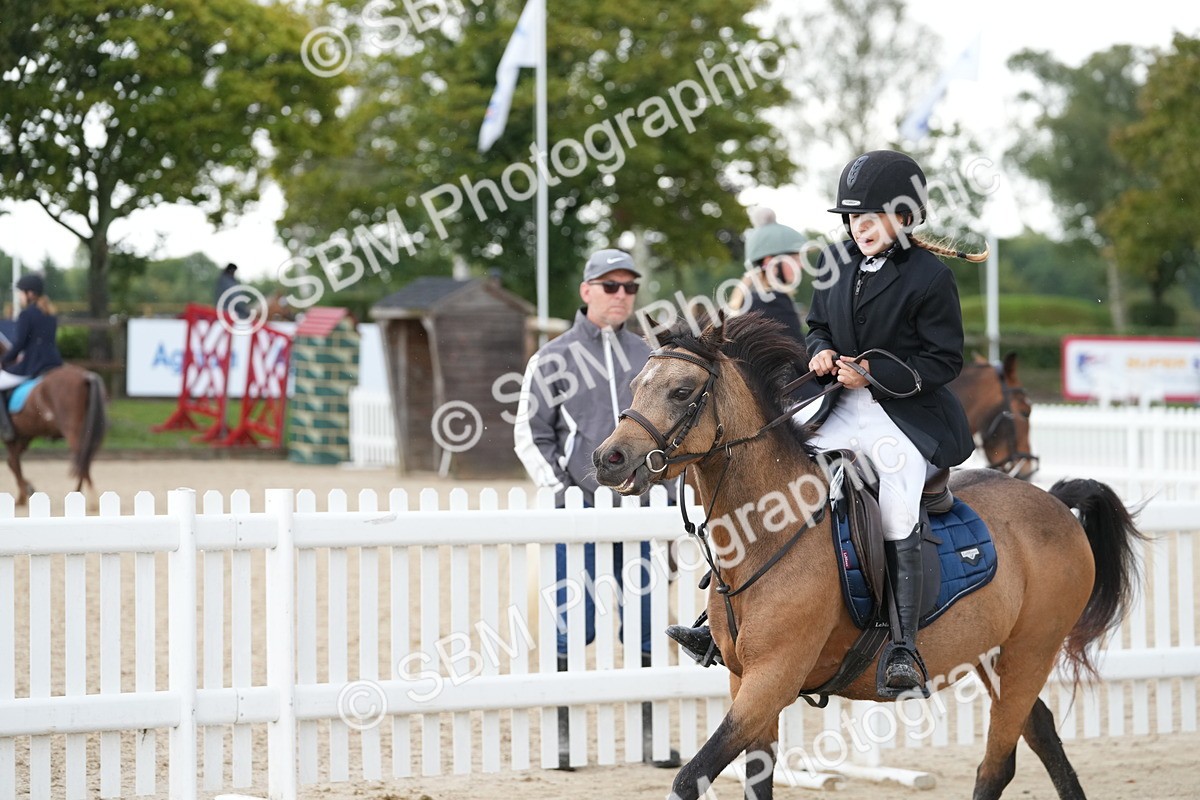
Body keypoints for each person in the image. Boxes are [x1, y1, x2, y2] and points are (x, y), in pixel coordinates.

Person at [667, 150, 981, 697]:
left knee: (897, 502)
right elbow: (815, 326)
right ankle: (715, 618)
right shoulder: (836, 260)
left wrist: (873, 373)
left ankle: (903, 646)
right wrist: (820, 352)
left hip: (902, 415)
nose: (859, 226)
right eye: (853, 217)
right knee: (769, 468)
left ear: (904, 217)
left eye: (872, 216)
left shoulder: (930, 277)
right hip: (838, 401)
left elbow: (943, 361)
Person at [513, 248, 679, 769]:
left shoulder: (650, 356)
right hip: (575, 516)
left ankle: (651, 739)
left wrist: (666, 494)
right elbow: (529, 434)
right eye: (610, 287)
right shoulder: (552, 358)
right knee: (570, 625)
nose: (622, 296)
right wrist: (559, 491)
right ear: (586, 291)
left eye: (629, 287)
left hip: (642, 516)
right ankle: (563, 742)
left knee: (648, 625)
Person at [0, 273, 64, 442]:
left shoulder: (26, 315)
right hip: (53, 363)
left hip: (32, 365)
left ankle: (6, 429)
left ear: (30, 294)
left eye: (21, 292)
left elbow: (20, 344)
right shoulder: (50, 314)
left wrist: (4, 360)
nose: (19, 296)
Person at [729, 207, 808, 342]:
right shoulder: (773, 300)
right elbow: (797, 355)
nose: (802, 265)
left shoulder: (749, 298)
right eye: (795, 258)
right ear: (771, 262)